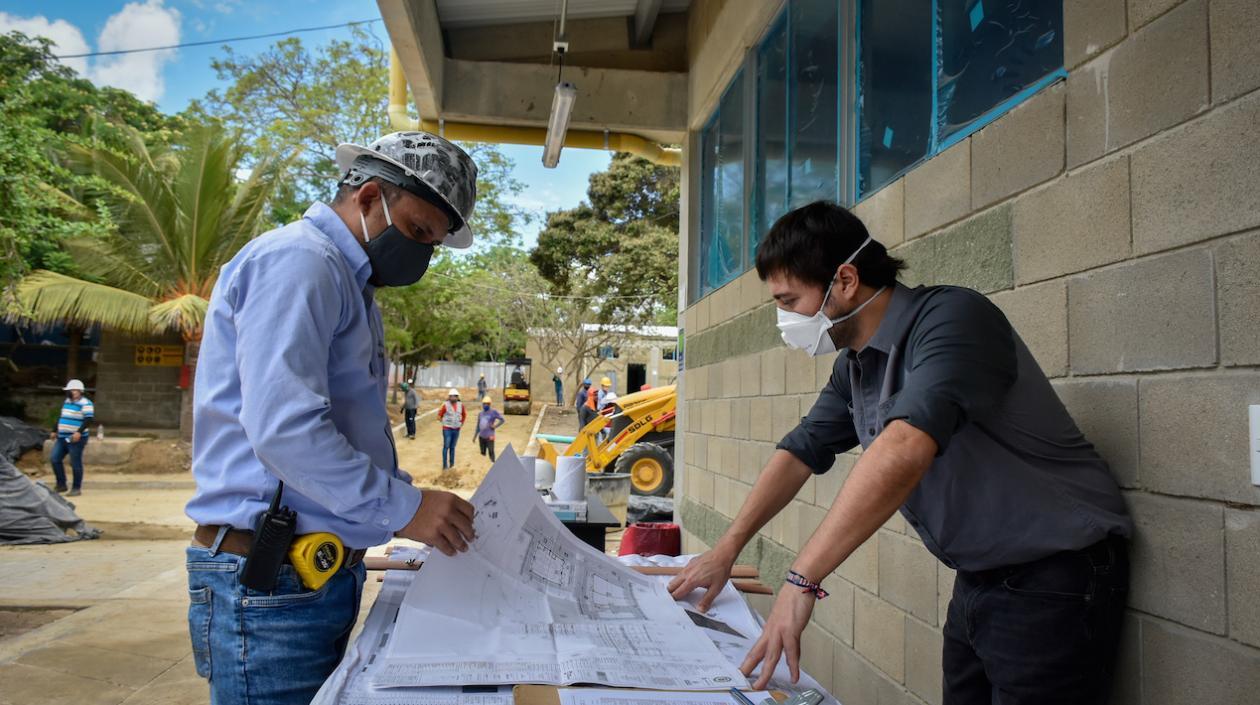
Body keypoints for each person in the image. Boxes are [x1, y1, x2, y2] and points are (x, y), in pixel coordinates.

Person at [668, 201, 1133, 703]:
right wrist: (726, 548)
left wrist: (801, 580)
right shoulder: (856, 366)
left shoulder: (954, 319)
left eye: (789, 301)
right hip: (980, 578)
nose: (784, 319)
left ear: (844, 281)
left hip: (1056, 574)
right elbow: (801, 450)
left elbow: (906, 446)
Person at [184, 130, 480, 705]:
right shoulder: (300, 263)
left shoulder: (349, 284)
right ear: (370, 196)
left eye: (433, 243)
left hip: (310, 576)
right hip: (271, 583)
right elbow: (286, 431)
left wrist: (393, 512)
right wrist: (407, 508)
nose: (420, 252)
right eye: (418, 231)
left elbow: (348, 431)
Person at [49, 378, 93, 496]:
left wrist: (79, 432)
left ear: (80, 391)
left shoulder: (86, 403)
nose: (72, 392)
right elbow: (61, 417)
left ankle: (76, 488)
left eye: (74, 390)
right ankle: (61, 484)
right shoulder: (67, 402)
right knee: (55, 458)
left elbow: (88, 419)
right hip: (63, 436)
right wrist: (54, 430)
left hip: (75, 438)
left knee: (75, 462)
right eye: (70, 390)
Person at [439, 388, 466, 470]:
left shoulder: (461, 405)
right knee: (446, 446)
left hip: (456, 429)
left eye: (454, 396)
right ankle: (445, 465)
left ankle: (451, 464)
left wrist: (461, 423)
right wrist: (444, 423)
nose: (453, 398)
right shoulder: (445, 405)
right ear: (449, 397)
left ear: (457, 397)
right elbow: (439, 416)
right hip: (447, 429)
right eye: (451, 396)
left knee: (452, 447)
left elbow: (464, 415)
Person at [473, 396, 505, 461]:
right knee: (482, 454)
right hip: (481, 437)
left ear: (490, 404)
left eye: (487, 404)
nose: (485, 405)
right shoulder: (480, 414)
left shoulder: (493, 412)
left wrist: (495, 426)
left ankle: (493, 465)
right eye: (484, 403)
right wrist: (475, 436)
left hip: (490, 436)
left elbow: (502, 420)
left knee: (491, 452)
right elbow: (478, 426)